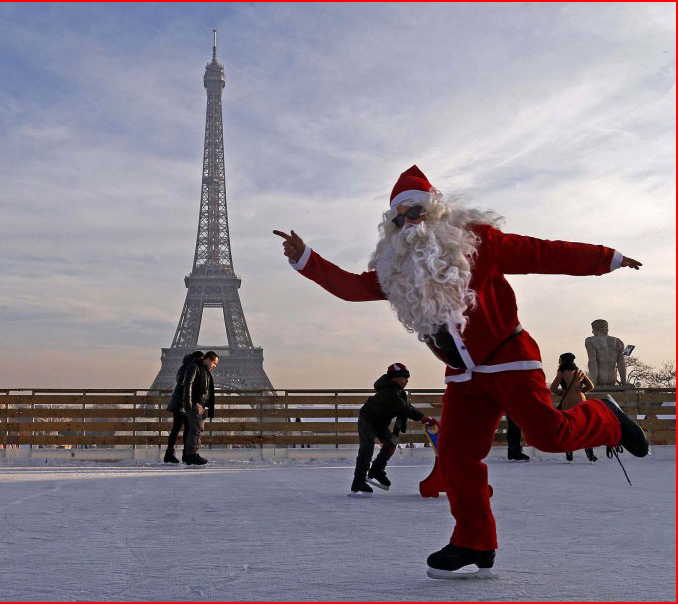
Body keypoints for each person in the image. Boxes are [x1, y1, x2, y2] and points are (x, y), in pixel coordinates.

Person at [274, 165, 648, 579]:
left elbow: (543, 253)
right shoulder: (396, 271)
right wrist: (305, 259)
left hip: (508, 357)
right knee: (456, 456)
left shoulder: (477, 244)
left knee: (549, 436)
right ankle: (474, 540)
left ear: (435, 210)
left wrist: (606, 258)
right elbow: (351, 287)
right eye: (400, 217)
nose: (409, 223)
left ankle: (606, 417)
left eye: (415, 211)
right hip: (464, 375)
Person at [352, 363, 437, 495]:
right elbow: (404, 408)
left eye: (407, 378)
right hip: (367, 420)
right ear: (394, 378)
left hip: (380, 423)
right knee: (367, 448)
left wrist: (424, 417)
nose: (407, 381)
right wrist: (423, 418)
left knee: (391, 443)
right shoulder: (388, 392)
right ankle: (359, 481)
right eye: (404, 378)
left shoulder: (399, 392)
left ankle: (377, 470)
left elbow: (408, 406)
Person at [551, 352, 598, 462]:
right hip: (581, 401)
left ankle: (569, 452)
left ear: (563, 361)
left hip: (568, 401)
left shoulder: (562, 373)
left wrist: (562, 393)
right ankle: (590, 453)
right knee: (584, 427)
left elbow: (553, 388)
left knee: (569, 427)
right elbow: (591, 386)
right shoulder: (579, 372)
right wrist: (581, 391)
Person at [164, 351, 204, 463]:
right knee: (187, 428)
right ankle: (186, 453)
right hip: (183, 403)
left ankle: (170, 453)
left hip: (180, 402)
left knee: (177, 428)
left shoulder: (185, 366)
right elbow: (187, 386)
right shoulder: (193, 367)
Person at [181, 351, 219, 466]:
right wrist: (189, 403)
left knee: (198, 430)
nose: (215, 366)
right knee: (196, 430)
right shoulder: (194, 367)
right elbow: (188, 384)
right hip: (195, 403)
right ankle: (191, 455)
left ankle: (192, 454)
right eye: (214, 363)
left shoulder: (205, 371)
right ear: (207, 360)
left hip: (200, 404)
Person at [585, 319, 627, 386]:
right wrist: (624, 382)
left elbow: (593, 362)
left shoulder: (590, 341)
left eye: (593, 329)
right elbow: (621, 364)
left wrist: (593, 382)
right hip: (612, 378)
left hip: (599, 378)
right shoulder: (618, 342)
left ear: (596, 328)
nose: (592, 331)